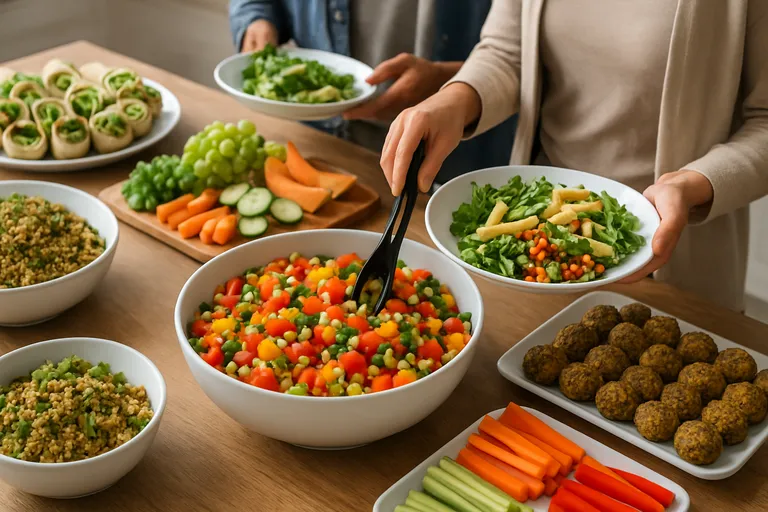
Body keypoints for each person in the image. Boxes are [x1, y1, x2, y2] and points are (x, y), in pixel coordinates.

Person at [380, 0, 768, 311]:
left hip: (672, 262)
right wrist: (453, 100)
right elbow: (506, 53)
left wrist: (690, 185)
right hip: (535, 254)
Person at [228, 0, 516, 184]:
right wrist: (256, 16)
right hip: (314, 141)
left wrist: (448, 80)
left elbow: (520, 53)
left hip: (448, 165)